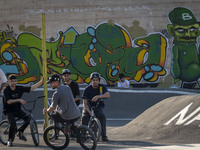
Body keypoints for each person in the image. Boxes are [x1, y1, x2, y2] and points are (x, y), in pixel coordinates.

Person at [3, 74, 44, 147]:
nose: (14, 83)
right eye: (12, 81)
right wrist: (19, 99)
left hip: (17, 110)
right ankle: (10, 140)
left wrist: (41, 82)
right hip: (8, 111)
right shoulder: (6, 90)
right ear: (9, 82)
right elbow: (8, 101)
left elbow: (31, 88)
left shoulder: (19, 88)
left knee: (29, 118)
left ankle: (20, 131)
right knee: (12, 123)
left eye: (15, 81)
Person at [82, 72, 110, 142]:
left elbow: (108, 95)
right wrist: (89, 112)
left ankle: (103, 136)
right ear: (91, 80)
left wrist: (98, 96)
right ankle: (83, 136)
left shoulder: (102, 87)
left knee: (102, 117)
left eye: (97, 80)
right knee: (84, 117)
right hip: (88, 106)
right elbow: (84, 104)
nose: (95, 82)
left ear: (99, 80)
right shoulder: (87, 89)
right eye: (94, 80)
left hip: (98, 106)